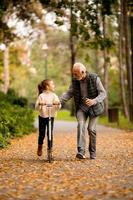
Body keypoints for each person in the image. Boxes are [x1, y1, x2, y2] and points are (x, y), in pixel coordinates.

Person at [60, 63, 106, 160]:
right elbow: (69, 93)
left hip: (95, 107)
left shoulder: (94, 78)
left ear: (83, 72)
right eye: (74, 74)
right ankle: (81, 151)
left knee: (91, 129)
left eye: (76, 74)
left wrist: (94, 101)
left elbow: (103, 93)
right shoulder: (75, 81)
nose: (75, 76)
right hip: (82, 107)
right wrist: (59, 101)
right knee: (81, 124)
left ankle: (92, 152)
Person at [35, 79, 61, 156]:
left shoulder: (54, 96)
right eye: (52, 84)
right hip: (42, 116)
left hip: (51, 116)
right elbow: (36, 107)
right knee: (42, 133)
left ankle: (50, 149)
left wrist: (57, 103)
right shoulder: (41, 96)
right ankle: (40, 146)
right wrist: (40, 104)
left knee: (50, 133)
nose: (54, 85)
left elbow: (58, 107)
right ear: (47, 86)